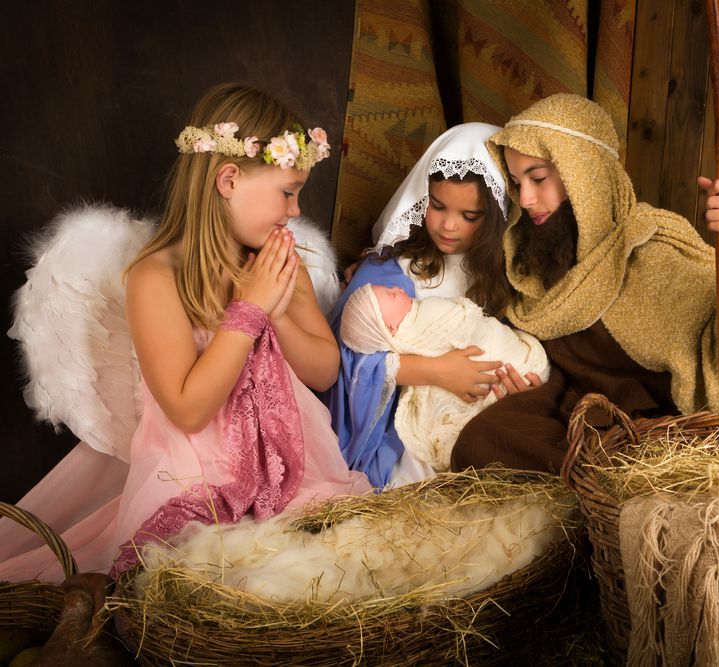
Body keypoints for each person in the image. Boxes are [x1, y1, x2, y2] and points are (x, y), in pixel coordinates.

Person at [0, 83, 371, 584]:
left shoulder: (280, 261)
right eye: (288, 192)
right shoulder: (157, 277)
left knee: (330, 568)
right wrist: (248, 311)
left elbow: (324, 372)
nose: (296, 211)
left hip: (294, 464)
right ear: (229, 180)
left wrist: (278, 313)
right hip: (194, 474)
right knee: (217, 576)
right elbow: (188, 408)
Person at [451, 93, 719, 473]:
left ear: (585, 173)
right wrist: (535, 383)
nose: (525, 199)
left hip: (665, 429)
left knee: (640, 465)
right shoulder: (539, 262)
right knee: (485, 439)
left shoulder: (653, 250)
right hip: (586, 415)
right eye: (516, 182)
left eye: (538, 178)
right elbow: (569, 369)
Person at [323, 122, 537, 489]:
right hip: (393, 441)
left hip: (470, 428)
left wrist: (519, 383)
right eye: (437, 206)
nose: (448, 226)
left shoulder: (508, 282)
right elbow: (341, 363)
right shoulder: (390, 268)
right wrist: (434, 371)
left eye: (470, 217)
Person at [339, 283, 549, 473]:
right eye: (392, 295)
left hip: (512, 374)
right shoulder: (388, 288)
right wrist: (435, 369)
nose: (398, 289)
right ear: (391, 329)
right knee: (471, 441)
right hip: (473, 402)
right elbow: (359, 361)